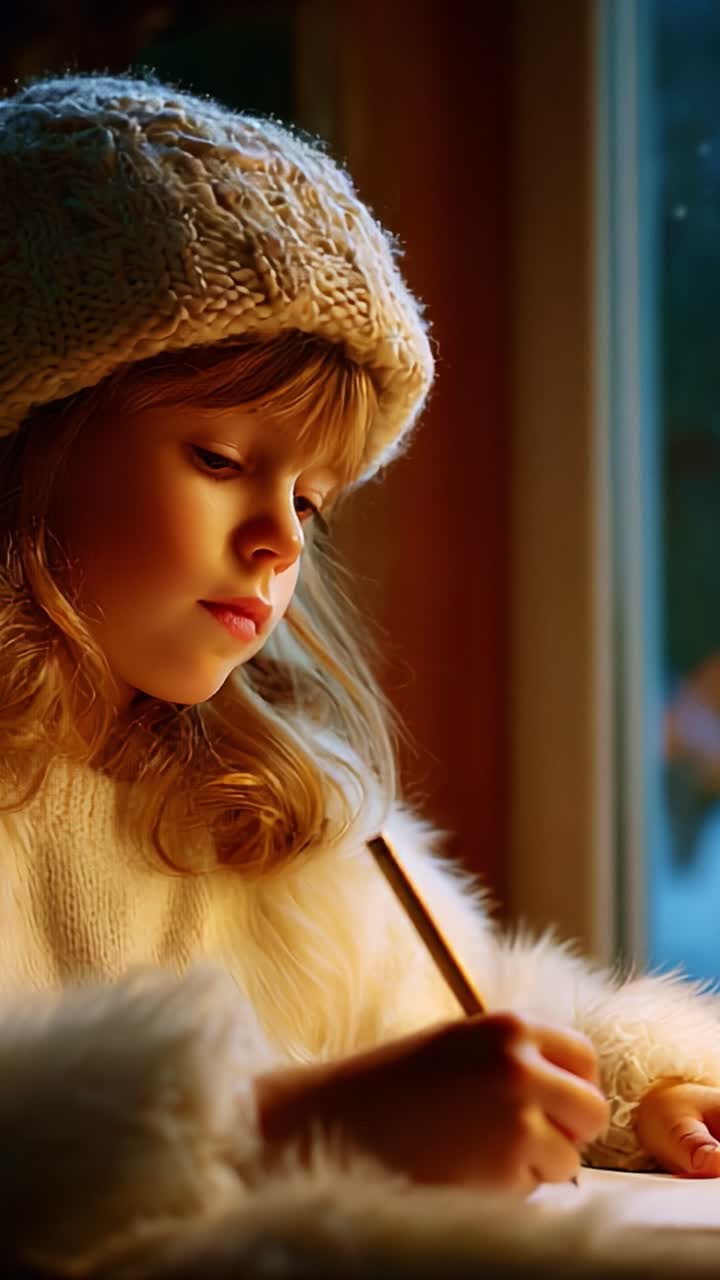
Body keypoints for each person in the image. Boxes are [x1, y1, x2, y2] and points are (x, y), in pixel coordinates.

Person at [1, 69, 720, 1277]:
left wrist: (612, 1087)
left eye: (311, 500)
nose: (278, 541)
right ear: (27, 433)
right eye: (218, 455)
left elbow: (448, 1021)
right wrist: (283, 1130)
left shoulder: (268, 816)